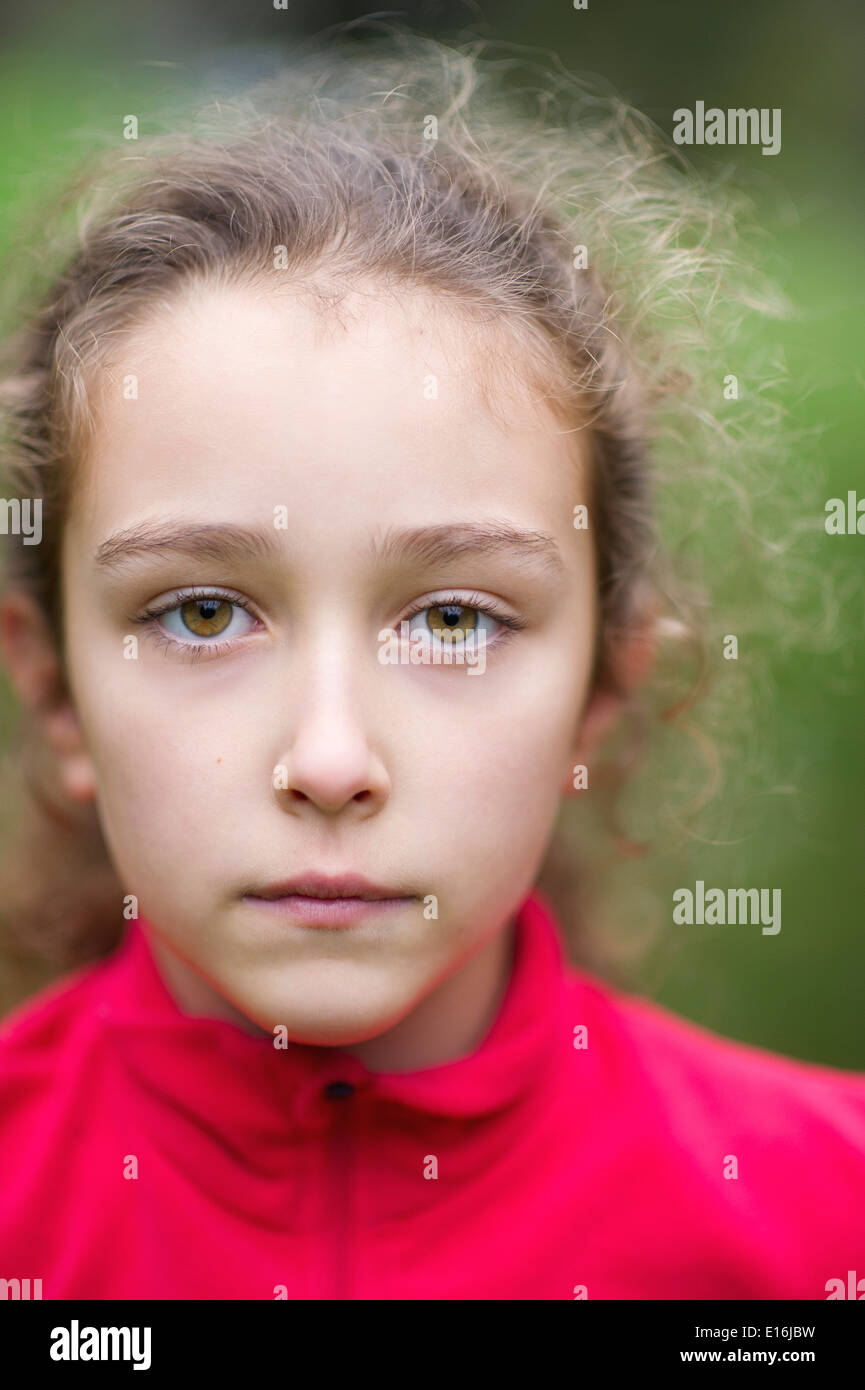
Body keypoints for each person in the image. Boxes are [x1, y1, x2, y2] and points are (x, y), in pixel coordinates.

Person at [0, 31, 861, 1300]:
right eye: (199, 613)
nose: (331, 761)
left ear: (600, 693)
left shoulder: (820, 1219)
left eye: (455, 621)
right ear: (55, 689)